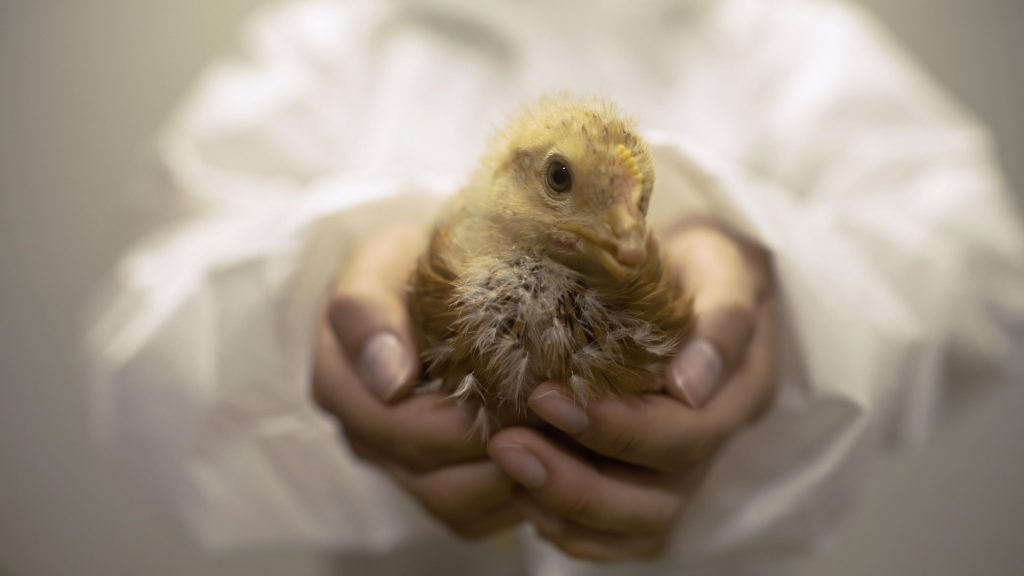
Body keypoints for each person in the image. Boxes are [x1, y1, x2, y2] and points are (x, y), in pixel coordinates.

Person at [88, 0, 1024, 573]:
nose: (626, 230)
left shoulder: (785, 32)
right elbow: (140, 331)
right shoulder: (326, 39)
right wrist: (307, 302)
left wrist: (785, 295)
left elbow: (983, 268)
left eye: (642, 206)